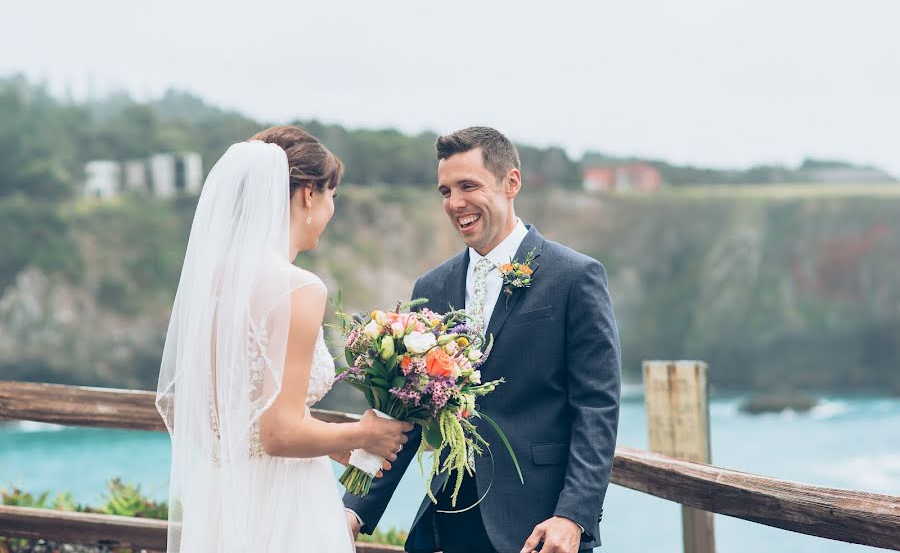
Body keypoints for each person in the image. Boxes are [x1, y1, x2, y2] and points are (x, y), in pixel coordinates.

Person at [343, 126, 621, 553]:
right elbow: (404, 410)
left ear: (512, 183)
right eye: (445, 191)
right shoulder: (432, 286)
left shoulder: (575, 277)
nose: (455, 203)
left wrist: (573, 517)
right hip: (449, 523)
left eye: (468, 186)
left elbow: (596, 407)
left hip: (541, 529)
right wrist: (354, 510)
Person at [156, 126, 412, 552]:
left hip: (226, 498)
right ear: (308, 195)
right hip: (285, 502)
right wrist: (361, 434)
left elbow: (251, 415)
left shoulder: (213, 285)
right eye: (332, 195)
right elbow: (279, 433)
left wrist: (326, 442)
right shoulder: (298, 288)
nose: (332, 209)